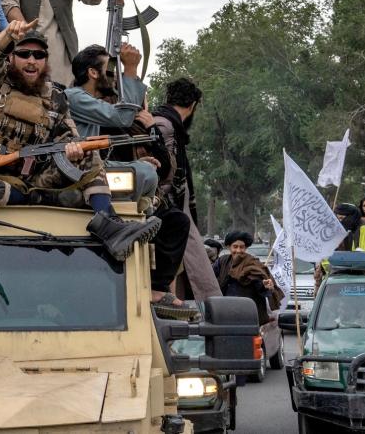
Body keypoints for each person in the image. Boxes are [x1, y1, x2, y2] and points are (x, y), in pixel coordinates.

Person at [0, 22, 160, 261]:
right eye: (23, 54)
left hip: (37, 179)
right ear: (11, 58)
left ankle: (111, 225)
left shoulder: (55, 98)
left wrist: (72, 150)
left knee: (88, 149)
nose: (32, 60)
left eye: (39, 55)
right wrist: (7, 36)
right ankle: (35, 200)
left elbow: (69, 136)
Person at [64, 43, 196, 317]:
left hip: (96, 170)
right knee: (145, 175)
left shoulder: (88, 101)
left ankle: (156, 286)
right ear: (92, 73)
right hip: (74, 173)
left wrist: (134, 165)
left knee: (174, 219)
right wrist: (132, 69)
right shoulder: (74, 97)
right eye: (111, 70)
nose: (116, 77)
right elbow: (122, 116)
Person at [148, 77, 221, 302]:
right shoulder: (164, 124)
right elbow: (163, 168)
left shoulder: (167, 123)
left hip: (174, 204)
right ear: (193, 106)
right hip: (166, 206)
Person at [214, 231, 282, 327]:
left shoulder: (252, 263)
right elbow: (210, 279)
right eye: (235, 246)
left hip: (248, 315)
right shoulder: (222, 261)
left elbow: (259, 283)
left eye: (241, 247)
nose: (238, 250)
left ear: (245, 248)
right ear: (229, 247)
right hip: (225, 313)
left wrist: (265, 285)